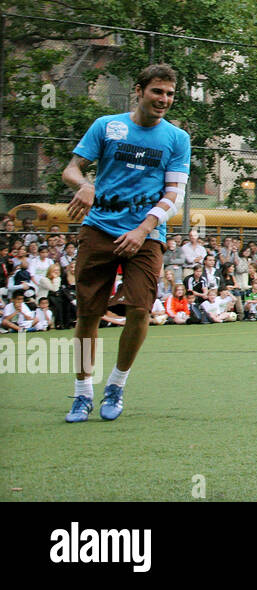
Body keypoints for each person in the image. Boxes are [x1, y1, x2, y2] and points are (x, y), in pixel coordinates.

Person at [60, 64, 191, 422]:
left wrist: (142, 229)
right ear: (139, 90)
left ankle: (116, 384)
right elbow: (71, 169)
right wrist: (83, 185)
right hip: (99, 228)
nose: (164, 100)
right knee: (88, 314)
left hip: (147, 235)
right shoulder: (107, 126)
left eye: (169, 94)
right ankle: (82, 393)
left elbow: (174, 195)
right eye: (157, 92)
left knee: (139, 310)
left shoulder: (177, 138)